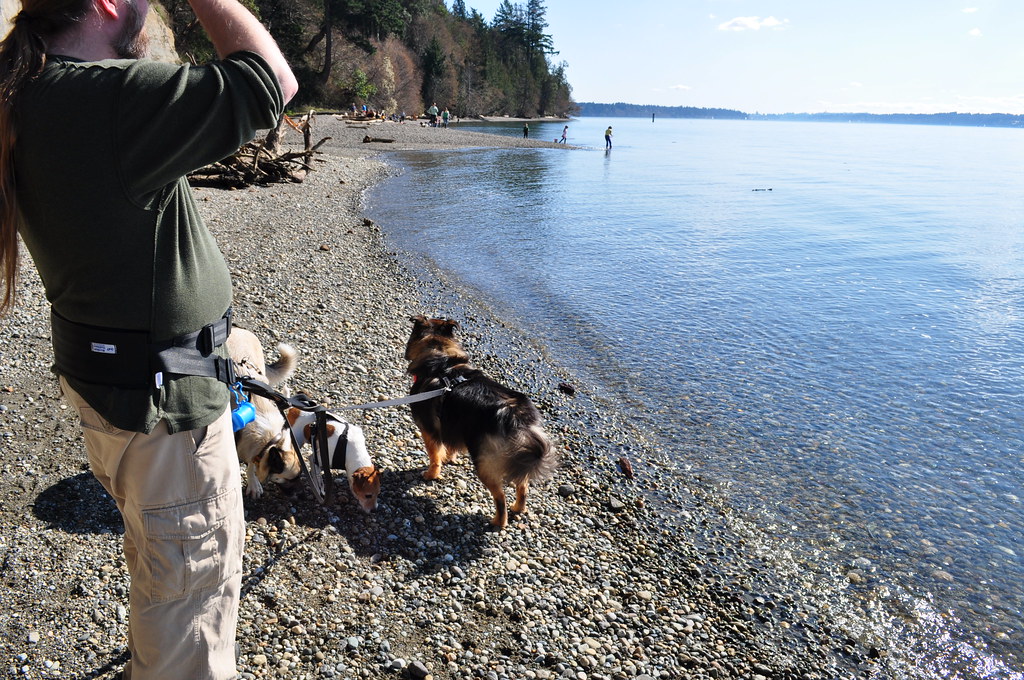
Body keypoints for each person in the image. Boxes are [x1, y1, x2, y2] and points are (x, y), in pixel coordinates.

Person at [0, 0, 298, 677]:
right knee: (186, 626)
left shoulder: (29, 91)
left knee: (163, 585)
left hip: (120, 398)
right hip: (166, 424)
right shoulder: (105, 102)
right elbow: (270, 83)